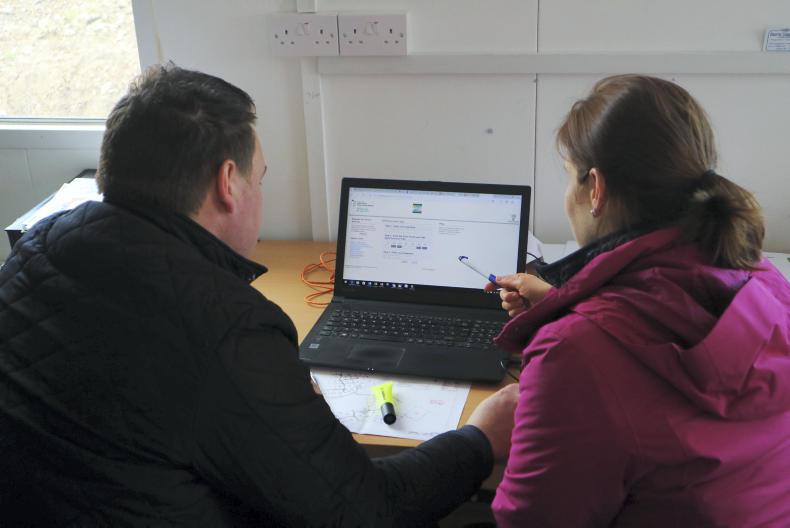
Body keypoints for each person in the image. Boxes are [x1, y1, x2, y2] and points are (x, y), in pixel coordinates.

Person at [0, 64, 518, 527]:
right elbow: (367, 510)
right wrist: (480, 438)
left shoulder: (37, 246)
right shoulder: (226, 326)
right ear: (228, 182)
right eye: (260, 179)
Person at [485, 75, 790, 526]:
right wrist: (566, 307)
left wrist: (478, 436)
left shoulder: (574, 353)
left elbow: (531, 521)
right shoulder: (765, 279)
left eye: (569, 177)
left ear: (595, 189)